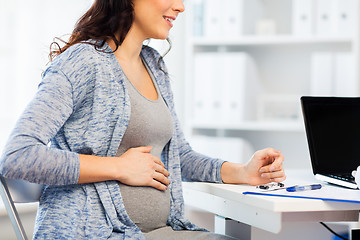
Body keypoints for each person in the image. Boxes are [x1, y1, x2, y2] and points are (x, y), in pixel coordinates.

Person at [0, 0, 286, 239]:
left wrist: (243, 172)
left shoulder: (153, 64)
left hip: (159, 230)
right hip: (94, 232)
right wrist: (118, 167)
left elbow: (178, 157)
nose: (181, 6)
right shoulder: (83, 63)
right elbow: (17, 157)